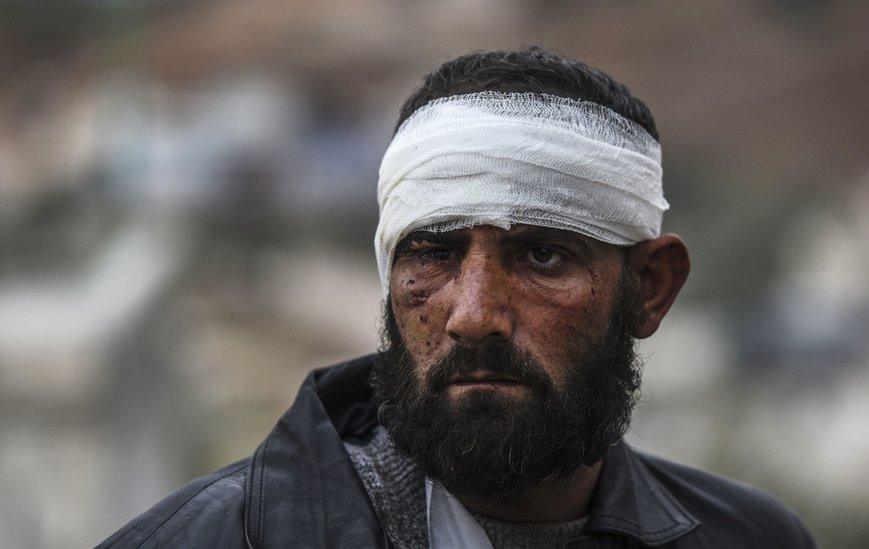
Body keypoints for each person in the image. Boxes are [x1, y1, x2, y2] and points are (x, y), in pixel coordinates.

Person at [100, 48, 816, 548]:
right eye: (433, 254)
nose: (473, 315)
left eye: (542, 255)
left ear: (650, 290)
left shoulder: (748, 537)